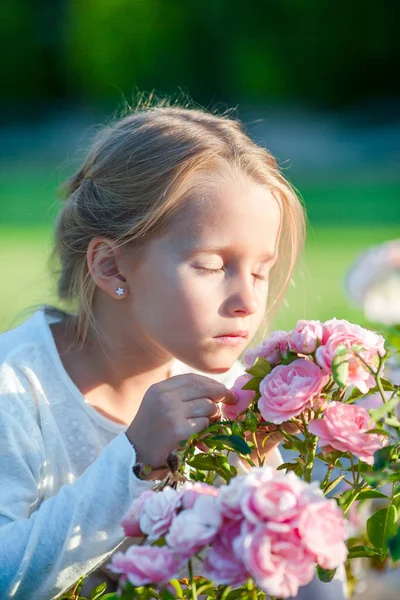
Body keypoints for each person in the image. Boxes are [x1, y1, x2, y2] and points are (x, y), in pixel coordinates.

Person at [0, 102, 344, 599]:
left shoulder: (227, 395)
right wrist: (136, 461)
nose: (247, 301)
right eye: (210, 265)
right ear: (113, 268)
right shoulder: (17, 388)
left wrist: (261, 488)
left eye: (260, 270)